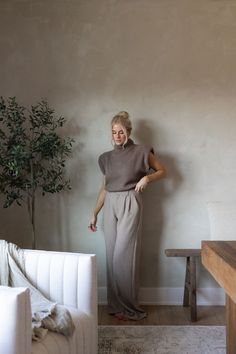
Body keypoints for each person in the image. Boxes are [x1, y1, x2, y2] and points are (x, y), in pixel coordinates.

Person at [89, 111, 166, 321]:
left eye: (121, 132)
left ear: (128, 132)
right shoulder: (105, 158)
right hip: (111, 203)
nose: (117, 135)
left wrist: (147, 179)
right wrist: (94, 213)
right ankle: (116, 306)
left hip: (131, 201)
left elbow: (162, 170)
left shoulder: (141, 151)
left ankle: (131, 306)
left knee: (125, 257)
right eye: (114, 132)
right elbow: (104, 188)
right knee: (112, 257)